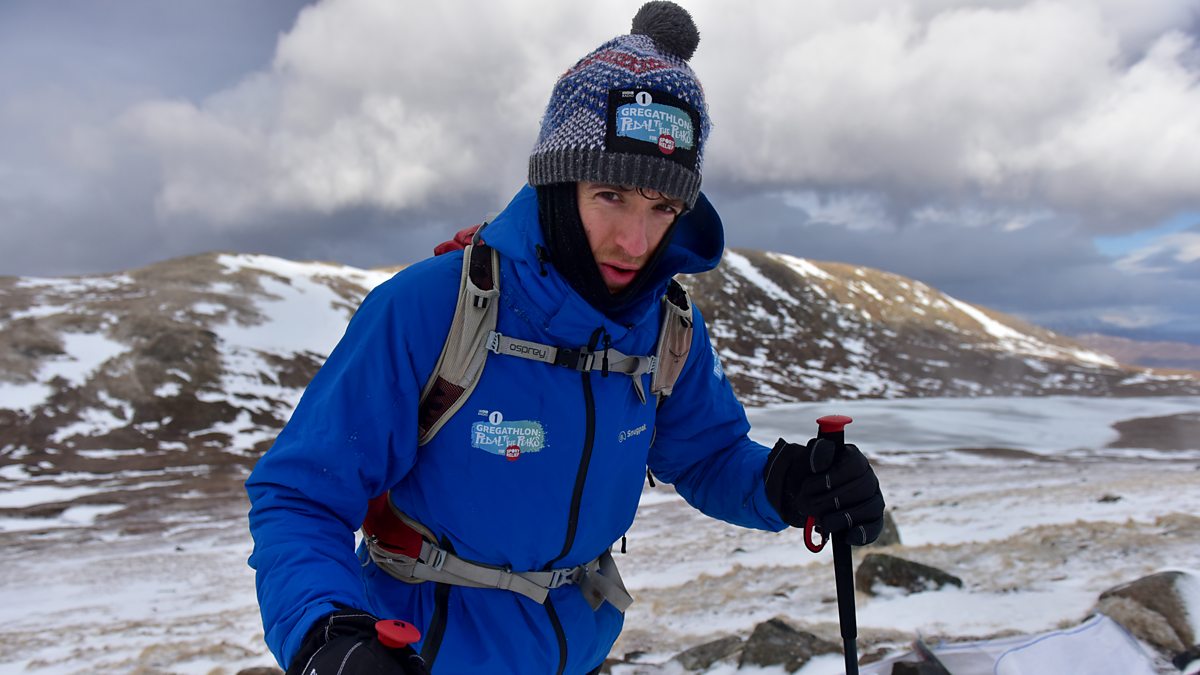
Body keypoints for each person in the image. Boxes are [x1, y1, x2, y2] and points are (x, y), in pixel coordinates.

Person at [246, 3, 886, 674]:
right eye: (612, 195)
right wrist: (326, 635)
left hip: (577, 651)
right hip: (421, 656)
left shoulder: (665, 325)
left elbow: (706, 455)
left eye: (662, 208)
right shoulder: (429, 308)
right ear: (559, 182)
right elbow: (301, 494)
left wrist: (789, 483)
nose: (635, 242)